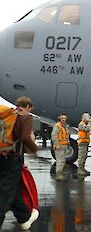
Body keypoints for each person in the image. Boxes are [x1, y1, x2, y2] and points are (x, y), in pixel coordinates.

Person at [0, 96, 39, 230]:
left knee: (13, 189)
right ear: (28, 106)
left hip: (1, 155)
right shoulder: (26, 117)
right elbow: (25, 137)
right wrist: (34, 149)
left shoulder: (8, 115)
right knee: (5, 194)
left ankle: (24, 217)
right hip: (13, 158)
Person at [51, 114, 70, 181]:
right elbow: (54, 136)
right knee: (59, 160)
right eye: (62, 118)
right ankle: (58, 174)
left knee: (63, 160)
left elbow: (66, 136)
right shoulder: (57, 126)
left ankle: (60, 172)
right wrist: (57, 145)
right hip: (59, 146)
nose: (63, 119)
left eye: (64, 118)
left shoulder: (65, 127)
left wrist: (68, 144)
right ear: (59, 119)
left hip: (64, 146)